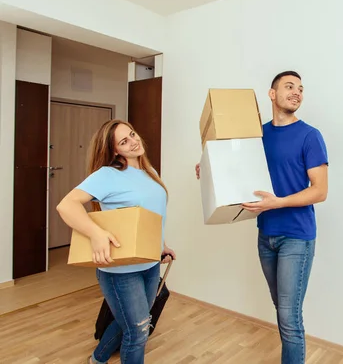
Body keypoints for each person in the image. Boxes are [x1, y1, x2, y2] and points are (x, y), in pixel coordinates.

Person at [196, 70, 328, 364]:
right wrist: (208, 168)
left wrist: (278, 202)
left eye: (301, 89)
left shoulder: (310, 136)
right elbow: (237, 165)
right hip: (265, 235)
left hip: (297, 236)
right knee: (281, 309)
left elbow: (320, 191)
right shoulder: (257, 134)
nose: (297, 92)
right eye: (289, 86)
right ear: (272, 94)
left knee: (289, 315)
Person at [57, 119, 176, 364]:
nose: (134, 142)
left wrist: (161, 244)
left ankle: (98, 358)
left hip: (150, 263)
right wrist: (96, 233)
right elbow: (66, 205)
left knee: (134, 322)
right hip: (120, 270)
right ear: (114, 151)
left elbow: (150, 216)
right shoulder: (107, 175)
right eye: (124, 141)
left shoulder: (149, 172)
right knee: (138, 330)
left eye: (132, 134)